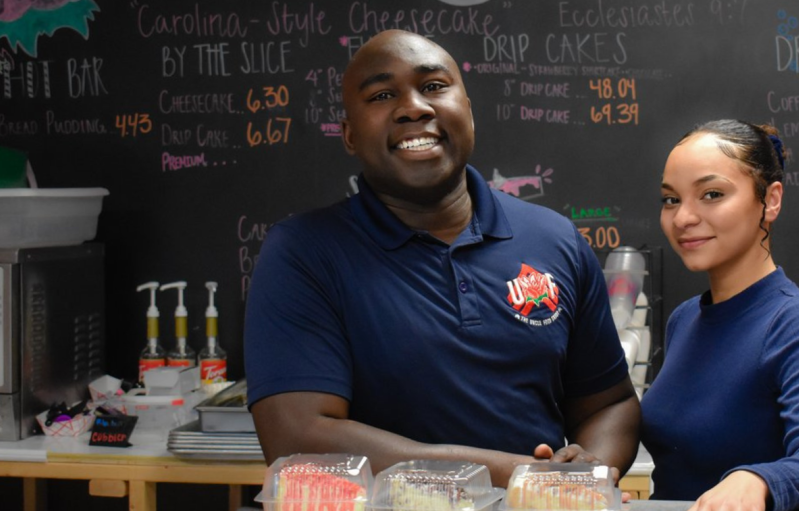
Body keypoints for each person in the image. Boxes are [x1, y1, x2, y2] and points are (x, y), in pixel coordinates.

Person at [243, 30, 640, 488]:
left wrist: (588, 474)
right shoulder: (304, 252)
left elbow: (608, 403)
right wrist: (518, 476)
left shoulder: (554, 239)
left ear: (468, 111)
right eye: (383, 94)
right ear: (350, 135)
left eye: (433, 86)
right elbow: (299, 437)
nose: (414, 107)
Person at [641, 120, 799, 511]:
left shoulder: (798, 320)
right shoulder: (684, 320)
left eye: (712, 194)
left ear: (770, 200)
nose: (683, 217)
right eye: (671, 200)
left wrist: (758, 479)